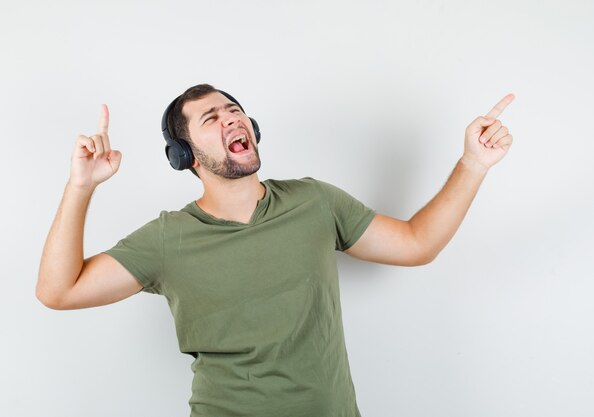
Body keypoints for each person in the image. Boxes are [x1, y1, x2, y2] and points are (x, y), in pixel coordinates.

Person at [36, 84, 514, 417]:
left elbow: (417, 244)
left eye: (234, 110)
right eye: (211, 118)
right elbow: (58, 291)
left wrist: (472, 164)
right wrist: (81, 186)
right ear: (184, 156)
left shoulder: (315, 202)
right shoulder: (168, 239)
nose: (231, 119)